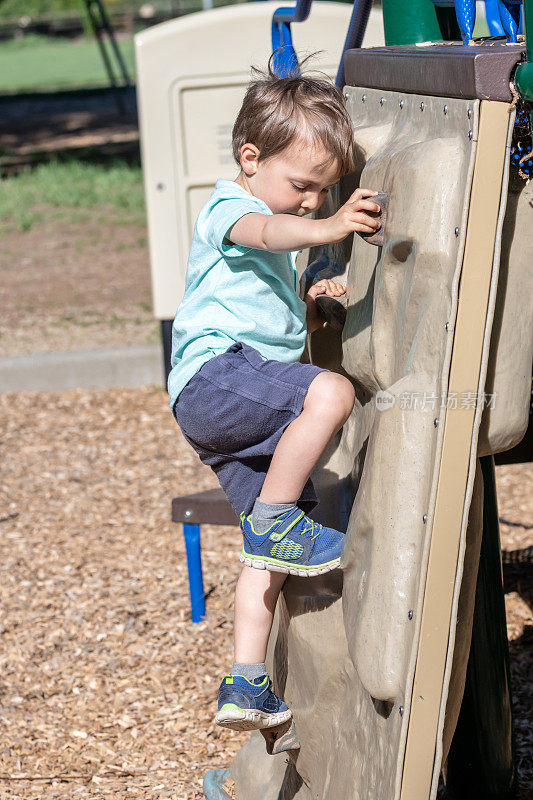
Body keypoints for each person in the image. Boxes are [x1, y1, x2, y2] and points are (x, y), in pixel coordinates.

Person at [169, 59, 380, 733]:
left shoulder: (277, 213)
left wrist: (313, 309)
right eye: (302, 186)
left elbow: (275, 316)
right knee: (331, 394)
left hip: (233, 395)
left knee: (268, 558)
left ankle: (246, 681)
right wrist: (325, 231)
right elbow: (268, 232)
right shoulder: (230, 206)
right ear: (250, 158)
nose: (311, 202)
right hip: (214, 376)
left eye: (323, 192)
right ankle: (275, 517)